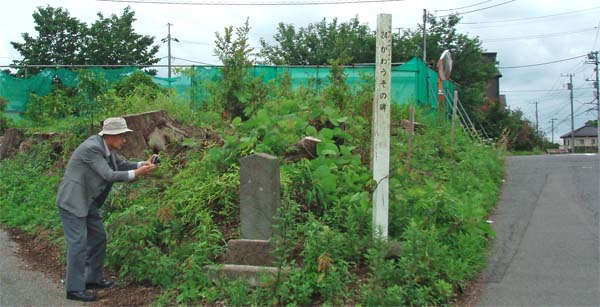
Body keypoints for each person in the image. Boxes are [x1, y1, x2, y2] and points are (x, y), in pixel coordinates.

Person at [56, 117, 157, 302]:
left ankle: (92, 279)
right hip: (73, 201)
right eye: (121, 136)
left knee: (98, 238)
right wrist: (138, 173)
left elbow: (123, 164)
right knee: (78, 244)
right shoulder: (92, 148)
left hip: (88, 201)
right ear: (109, 136)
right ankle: (74, 289)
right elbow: (109, 174)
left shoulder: (107, 149)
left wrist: (142, 164)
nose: (124, 140)